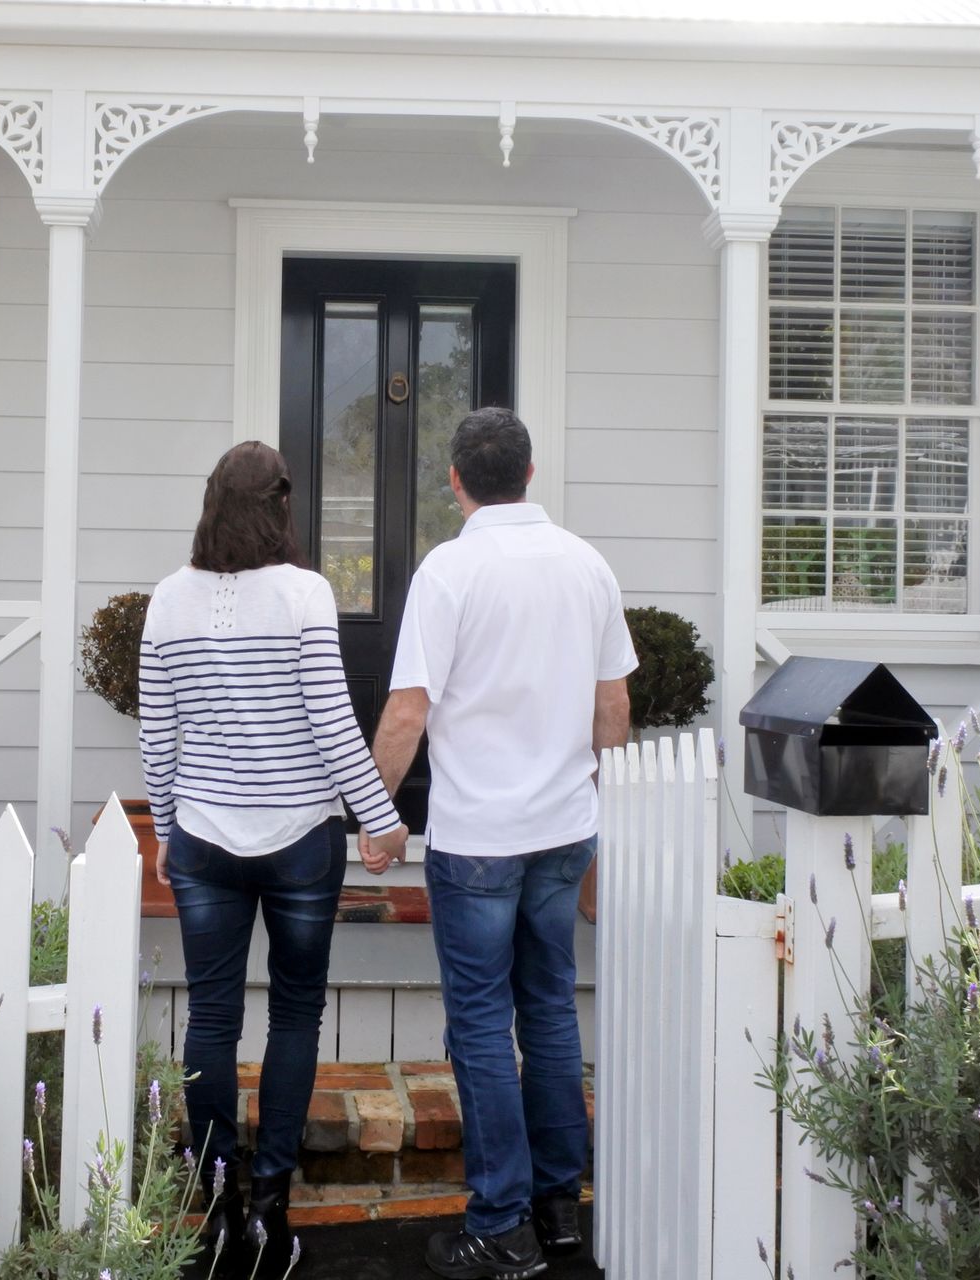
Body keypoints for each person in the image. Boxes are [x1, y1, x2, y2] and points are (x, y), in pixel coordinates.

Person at [364, 407, 635, 1280]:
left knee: (482, 1025)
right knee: (551, 1009)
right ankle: (559, 1208)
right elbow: (613, 711)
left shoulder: (450, 571)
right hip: (563, 830)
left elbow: (409, 711)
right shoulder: (587, 565)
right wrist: (607, 818)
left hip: (478, 837)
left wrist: (374, 814)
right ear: (528, 472)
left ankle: (501, 1222)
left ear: (456, 481)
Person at [140, 440, 410, 1277]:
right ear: (281, 508)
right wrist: (379, 817)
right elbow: (332, 721)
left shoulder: (166, 601)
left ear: (211, 504)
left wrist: (170, 826)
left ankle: (218, 1206)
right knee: (296, 1015)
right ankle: (271, 1210)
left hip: (206, 842)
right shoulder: (305, 592)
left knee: (212, 1020)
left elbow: (159, 731)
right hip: (299, 841)